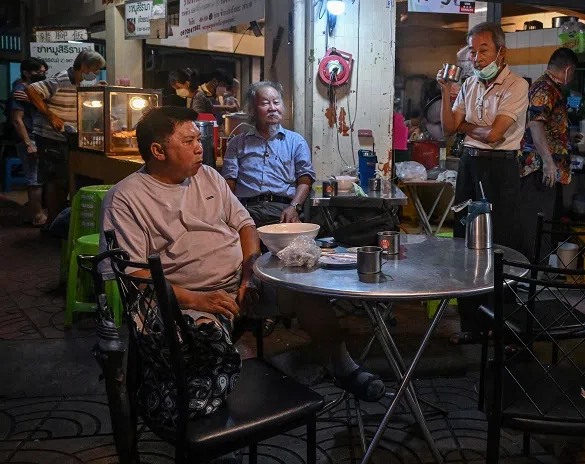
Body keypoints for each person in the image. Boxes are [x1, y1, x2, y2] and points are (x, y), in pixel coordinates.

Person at [101, 106, 385, 402]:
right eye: (189, 142)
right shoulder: (124, 199)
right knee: (201, 347)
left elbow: (246, 226)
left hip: (243, 285)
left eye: (199, 140)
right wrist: (198, 299)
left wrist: (249, 274)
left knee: (307, 289)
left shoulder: (209, 177)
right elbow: (133, 275)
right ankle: (218, 423)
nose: (200, 148)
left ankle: (343, 367)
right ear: (158, 151)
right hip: (185, 300)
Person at [438, 22, 529, 344]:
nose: (476, 58)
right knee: (464, 241)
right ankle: (472, 325)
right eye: (473, 51)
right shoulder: (469, 84)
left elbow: (495, 135)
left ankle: (505, 328)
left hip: (501, 169)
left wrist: (466, 125)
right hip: (470, 165)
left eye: (484, 50)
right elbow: (449, 127)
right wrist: (445, 91)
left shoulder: (517, 86)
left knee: (502, 246)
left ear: (501, 52)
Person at [26, 49, 106, 223]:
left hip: (68, 137)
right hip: (50, 136)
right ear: (84, 66)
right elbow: (32, 90)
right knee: (56, 180)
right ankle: (54, 224)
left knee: (66, 179)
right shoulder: (63, 78)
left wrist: (99, 89)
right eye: (95, 69)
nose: (96, 73)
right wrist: (51, 115)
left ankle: (58, 221)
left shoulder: (82, 83)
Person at [222, 81, 315, 227]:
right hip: (246, 211)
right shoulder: (237, 143)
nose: (273, 108)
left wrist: (294, 207)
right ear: (252, 110)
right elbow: (229, 182)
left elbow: (305, 180)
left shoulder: (296, 142)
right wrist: (231, 212)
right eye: (265, 103)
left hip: (282, 212)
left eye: (276, 103)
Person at [518, 48, 578, 260]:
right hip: (539, 169)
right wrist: (548, 162)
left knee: (544, 224)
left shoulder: (550, 88)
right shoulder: (545, 88)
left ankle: (536, 272)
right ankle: (530, 276)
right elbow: (535, 123)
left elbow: (547, 125)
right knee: (536, 226)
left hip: (546, 169)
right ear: (568, 70)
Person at [7, 57, 49, 226]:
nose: (42, 75)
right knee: (34, 179)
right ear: (26, 72)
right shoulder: (20, 90)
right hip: (29, 138)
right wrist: (28, 144)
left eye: (44, 72)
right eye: (38, 72)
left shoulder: (33, 90)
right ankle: (38, 216)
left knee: (39, 177)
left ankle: (36, 210)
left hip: (38, 136)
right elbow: (17, 120)